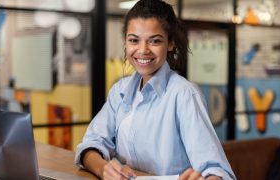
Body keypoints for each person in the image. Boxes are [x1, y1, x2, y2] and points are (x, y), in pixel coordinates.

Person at [75, 0, 236, 179]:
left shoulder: (184, 94)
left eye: (155, 41)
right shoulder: (119, 91)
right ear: (126, 43)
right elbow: (91, 144)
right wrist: (103, 169)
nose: (143, 50)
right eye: (134, 40)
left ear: (170, 43)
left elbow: (217, 171)